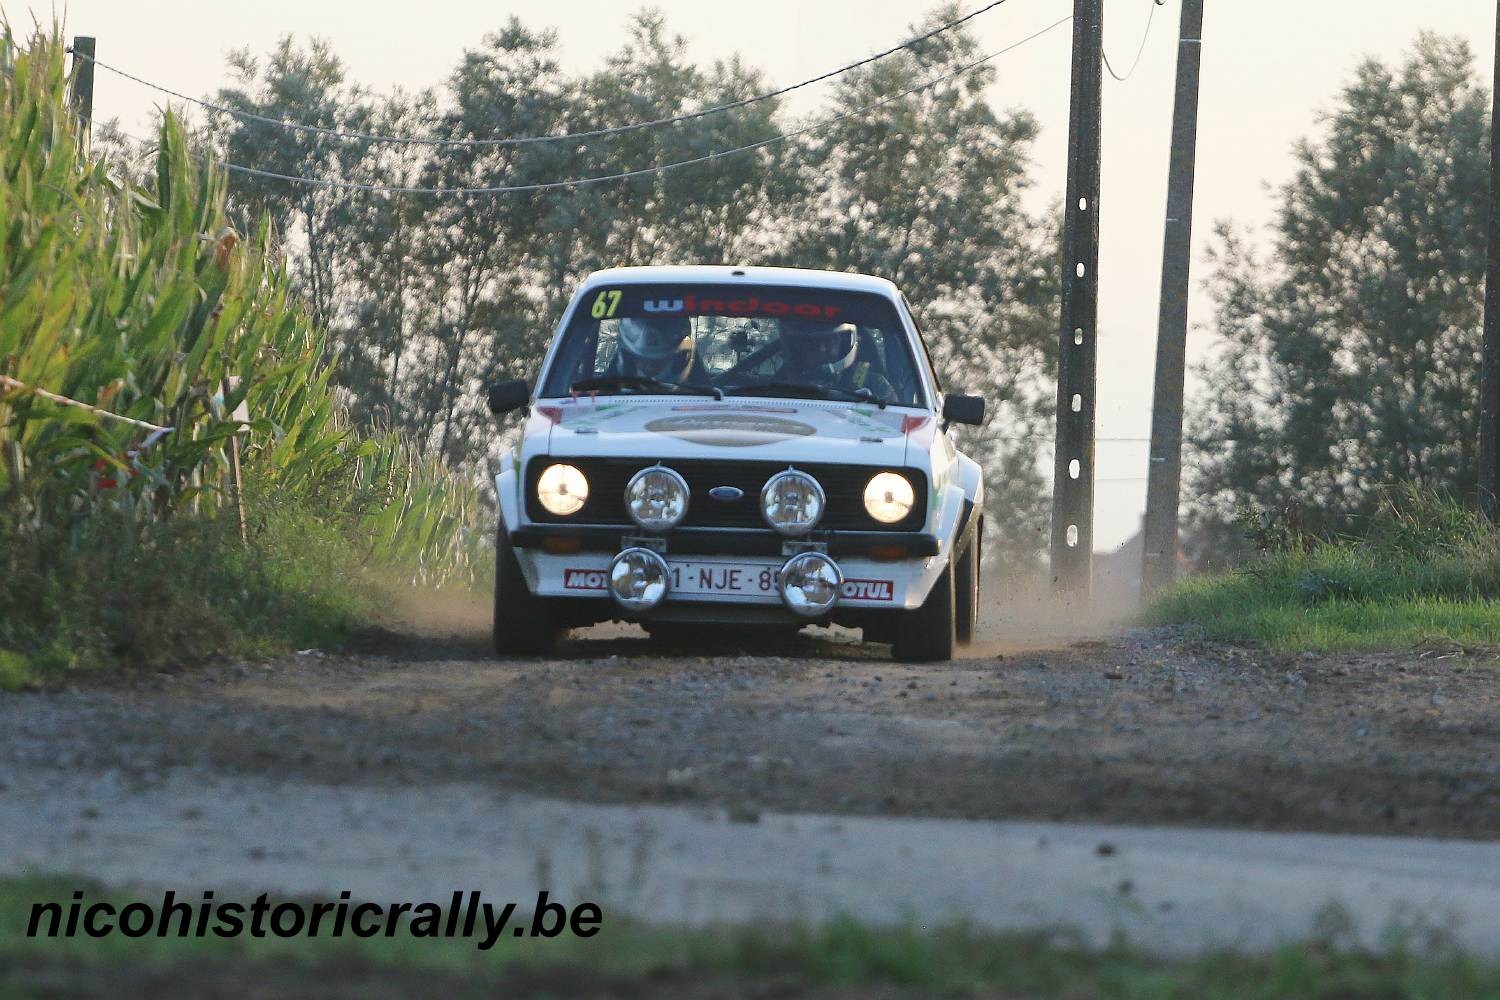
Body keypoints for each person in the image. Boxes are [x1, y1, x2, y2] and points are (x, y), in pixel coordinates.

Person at [781, 320, 894, 400]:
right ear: (800, 348)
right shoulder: (781, 382)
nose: (822, 349)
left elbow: (895, 418)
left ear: (843, 344)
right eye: (812, 343)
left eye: (829, 340)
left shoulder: (873, 383)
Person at [610, 316, 701, 384]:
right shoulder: (605, 392)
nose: (650, 367)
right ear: (629, 358)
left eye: (657, 362)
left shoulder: (705, 396)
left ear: (679, 359)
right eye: (644, 360)